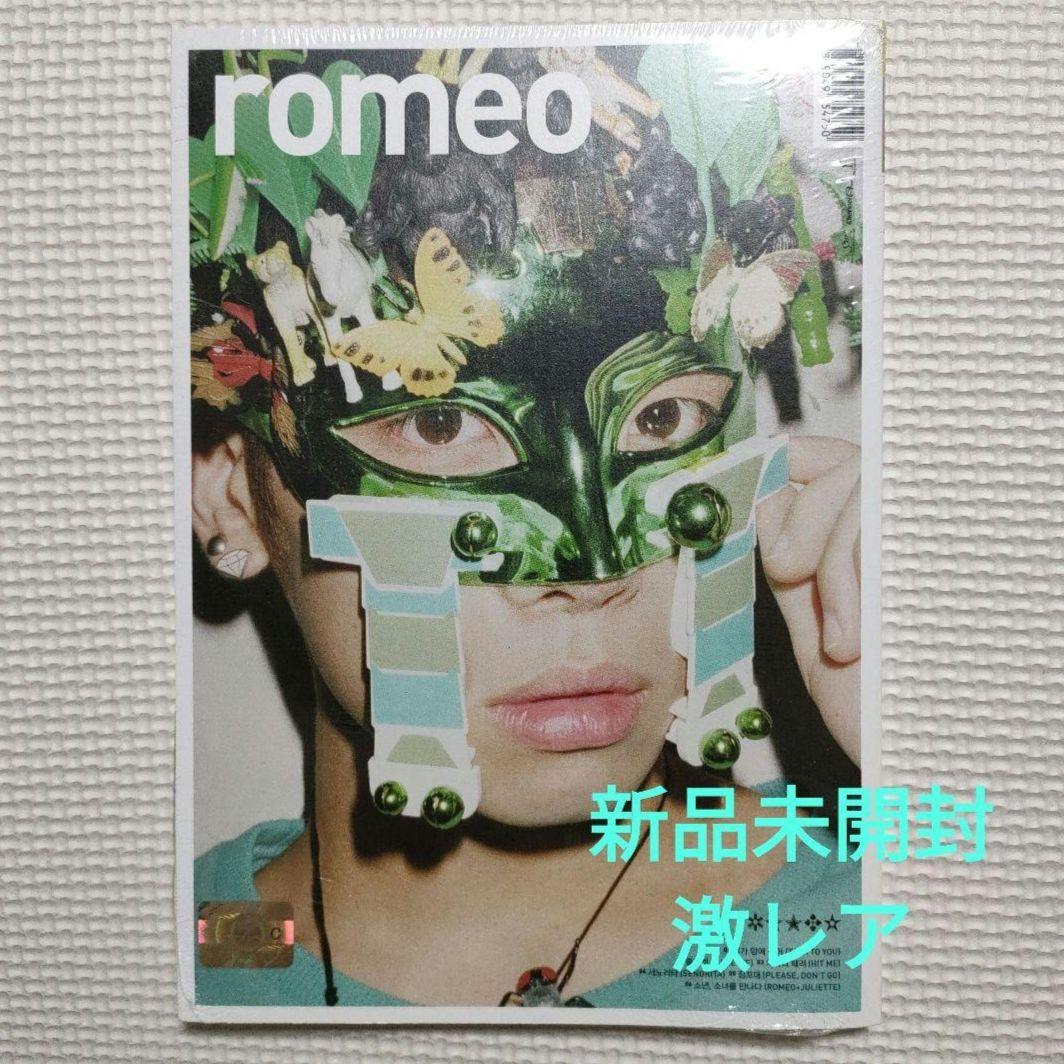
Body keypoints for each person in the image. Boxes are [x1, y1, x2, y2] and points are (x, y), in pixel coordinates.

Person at [188, 44, 864, 1012]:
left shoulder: (889, 930)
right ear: (226, 497)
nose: (590, 578)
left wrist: (946, 761)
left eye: (661, 417)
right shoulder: (125, 967)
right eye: (437, 425)